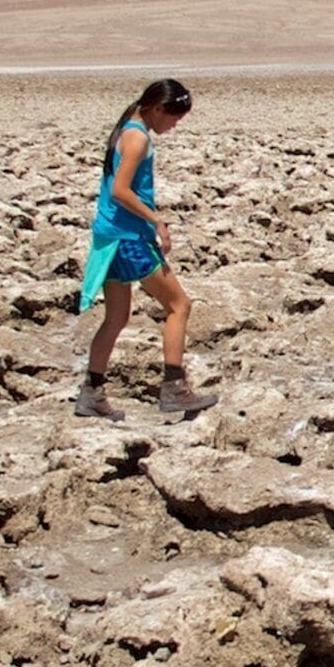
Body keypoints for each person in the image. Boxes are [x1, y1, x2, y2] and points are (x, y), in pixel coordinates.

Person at [79, 78, 214, 416]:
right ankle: (174, 388)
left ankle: (91, 394)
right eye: (174, 117)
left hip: (110, 236)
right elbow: (120, 191)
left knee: (116, 318)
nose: (175, 125)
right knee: (179, 305)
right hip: (128, 238)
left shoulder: (127, 128)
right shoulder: (137, 138)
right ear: (156, 109)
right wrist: (157, 221)